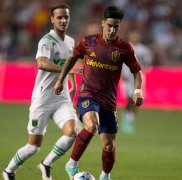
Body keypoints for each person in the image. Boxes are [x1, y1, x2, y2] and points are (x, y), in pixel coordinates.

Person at [54, 5, 144, 180]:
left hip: (108, 101)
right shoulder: (88, 42)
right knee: (91, 125)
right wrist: (60, 79)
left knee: (109, 145)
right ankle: (72, 164)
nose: (112, 30)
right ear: (102, 23)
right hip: (88, 94)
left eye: (116, 27)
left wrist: (138, 90)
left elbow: (137, 71)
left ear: (120, 26)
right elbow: (72, 58)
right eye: (109, 25)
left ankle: (105, 176)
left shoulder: (124, 48)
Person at [2, 3, 81, 180]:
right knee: (33, 147)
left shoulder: (70, 42)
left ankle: (46, 164)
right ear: (52, 19)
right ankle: (9, 170)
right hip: (43, 99)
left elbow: (70, 63)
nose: (63, 20)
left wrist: (73, 83)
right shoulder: (46, 40)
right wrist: (67, 72)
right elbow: (42, 63)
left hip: (61, 98)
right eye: (59, 17)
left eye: (66, 17)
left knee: (72, 133)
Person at [121, 29, 153, 134]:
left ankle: (129, 120)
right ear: (129, 36)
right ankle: (127, 120)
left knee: (137, 101)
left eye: (137, 35)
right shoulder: (124, 47)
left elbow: (147, 63)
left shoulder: (144, 50)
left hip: (139, 77)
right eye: (133, 35)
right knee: (130, 99)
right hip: (127, 77)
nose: (135, 37)